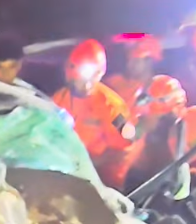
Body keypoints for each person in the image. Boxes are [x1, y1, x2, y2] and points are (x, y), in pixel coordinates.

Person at [51, 39, 134, 188]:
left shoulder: (112, 107)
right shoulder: (59, 99)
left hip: (102, 182)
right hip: (68, 174)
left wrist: (90, 164)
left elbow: (123, 150)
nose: (84, 85)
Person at [105, 34, 162, 106]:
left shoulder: (162, 90)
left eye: (136, 60)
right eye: (129, 59)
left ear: (149, 62)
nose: (130, 64)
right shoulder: (114, 84)